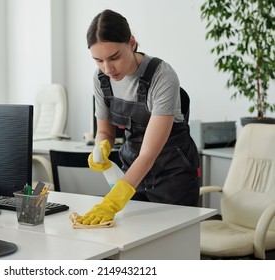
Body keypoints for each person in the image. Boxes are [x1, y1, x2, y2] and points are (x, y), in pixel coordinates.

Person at [76, 9, 201, 226]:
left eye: (114, 57)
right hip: (131, 172)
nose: (107, 68)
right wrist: (101, 147)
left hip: (173, 176)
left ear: (132, 43)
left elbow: (149, 154)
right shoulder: (101, 79)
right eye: (98, 60)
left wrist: (113, 202)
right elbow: (105, 130)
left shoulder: (162, 76)